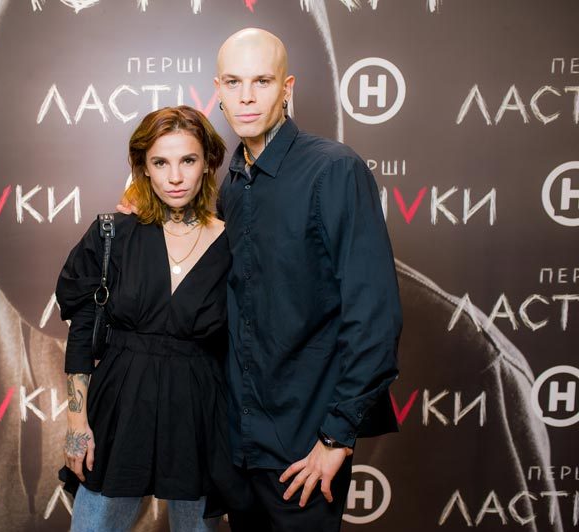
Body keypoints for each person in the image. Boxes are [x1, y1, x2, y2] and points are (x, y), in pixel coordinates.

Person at [211, 28, 402, 531]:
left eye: (262, 81)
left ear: (287, 88)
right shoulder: (231, 184)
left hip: (304, 448)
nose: (246, 96)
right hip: (239, 448)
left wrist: (336, 438)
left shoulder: (334, 170)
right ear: (218, 90)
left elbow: (374, 315)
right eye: (233, 82)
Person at [55, 105, 250, 532]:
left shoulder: (234, 243)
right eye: (160, 162)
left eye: (188, 160)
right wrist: (76, 423)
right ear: (143, 167)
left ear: (208, 163)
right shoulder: (113, 233)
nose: (175, 177)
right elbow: (83, 331)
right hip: (121, 402)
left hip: (200, 411)